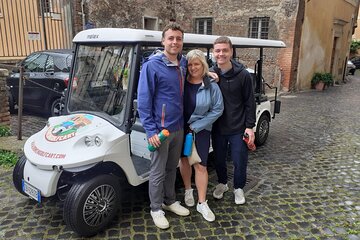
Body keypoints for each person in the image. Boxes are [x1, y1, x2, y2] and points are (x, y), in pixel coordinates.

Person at [137, 22, 190, 229]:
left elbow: (197, 72)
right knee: (157, 171)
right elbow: (144, 101)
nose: (175, 42)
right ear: (163, 41)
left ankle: (169, 201)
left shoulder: (183, 63)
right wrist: (151, 130)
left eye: (178, 38)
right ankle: (156, 208)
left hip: (178, 127)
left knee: (171, 168)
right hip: (160, 130)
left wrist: (208, 74)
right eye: (171, 38)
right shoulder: (152, 65)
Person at [211, 36, 256, 205]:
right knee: (219, 159)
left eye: (225, 50)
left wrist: (249, 127)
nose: (221, 54)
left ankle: (238, 188)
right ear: (214, 52)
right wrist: (208, 74)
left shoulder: (243, 75)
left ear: (231, 52)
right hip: (218, 128)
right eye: (218, 50)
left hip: (238, 128)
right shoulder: (210, 73)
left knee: (239, 160)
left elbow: (250, 102)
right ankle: (222, 184)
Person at [179, 50, 223, 222]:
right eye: (190, 64)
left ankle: (202, 202)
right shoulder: (181, 81)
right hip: (181, 127)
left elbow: (218, 109)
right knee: (184, 160)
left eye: (197, 64)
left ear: (203, 64)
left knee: (200, 165)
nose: (193, 67)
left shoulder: (211, 85)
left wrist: (196, 127)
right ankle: (188, 189)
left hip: (201, 130)